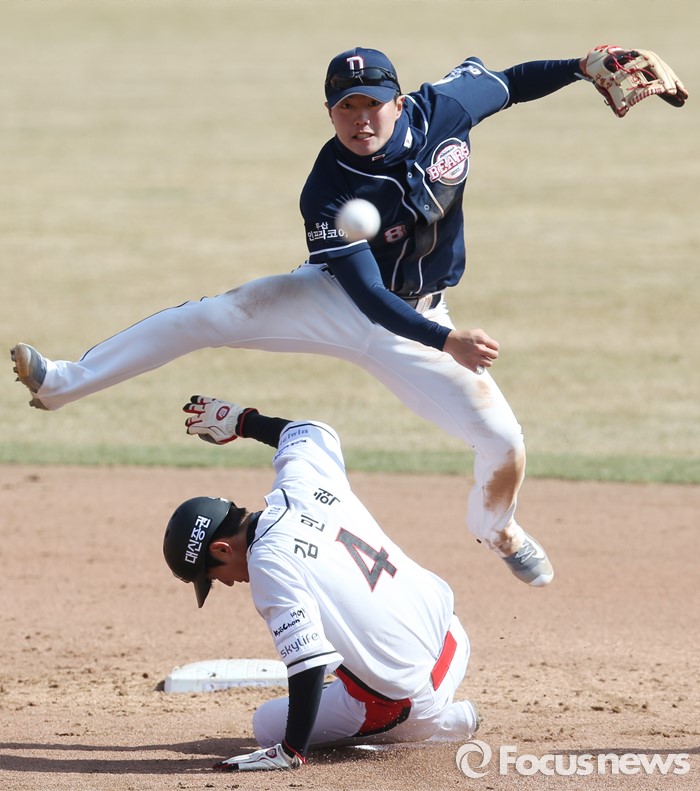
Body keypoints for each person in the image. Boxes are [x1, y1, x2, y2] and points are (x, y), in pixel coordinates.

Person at [10, 44, 687, 586]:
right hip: (337, 305)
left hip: (422, 323)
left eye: (372, 104)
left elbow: (511, 82)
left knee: (504, 443)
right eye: (346, 108)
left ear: (400, 102)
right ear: (331, 113)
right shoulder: (328, 187)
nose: (360, 119)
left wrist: (580, 66)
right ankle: (63, 381)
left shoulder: (447, 108)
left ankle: (499, 532)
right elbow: (365, 297)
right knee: (212, 316)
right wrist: (445, 340)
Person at [162, 394, 480, 771]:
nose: (227, 584)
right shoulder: (300, 485)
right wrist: (244, 422)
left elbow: (308, 660)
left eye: (213, 577)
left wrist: (290, 749)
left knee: (267, 724)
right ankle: (438, 716)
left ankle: (437, 725)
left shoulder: (267, 561)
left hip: (411, 701)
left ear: (221, 549)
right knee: (349, 667)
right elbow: (310, 432)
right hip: (452, 639)